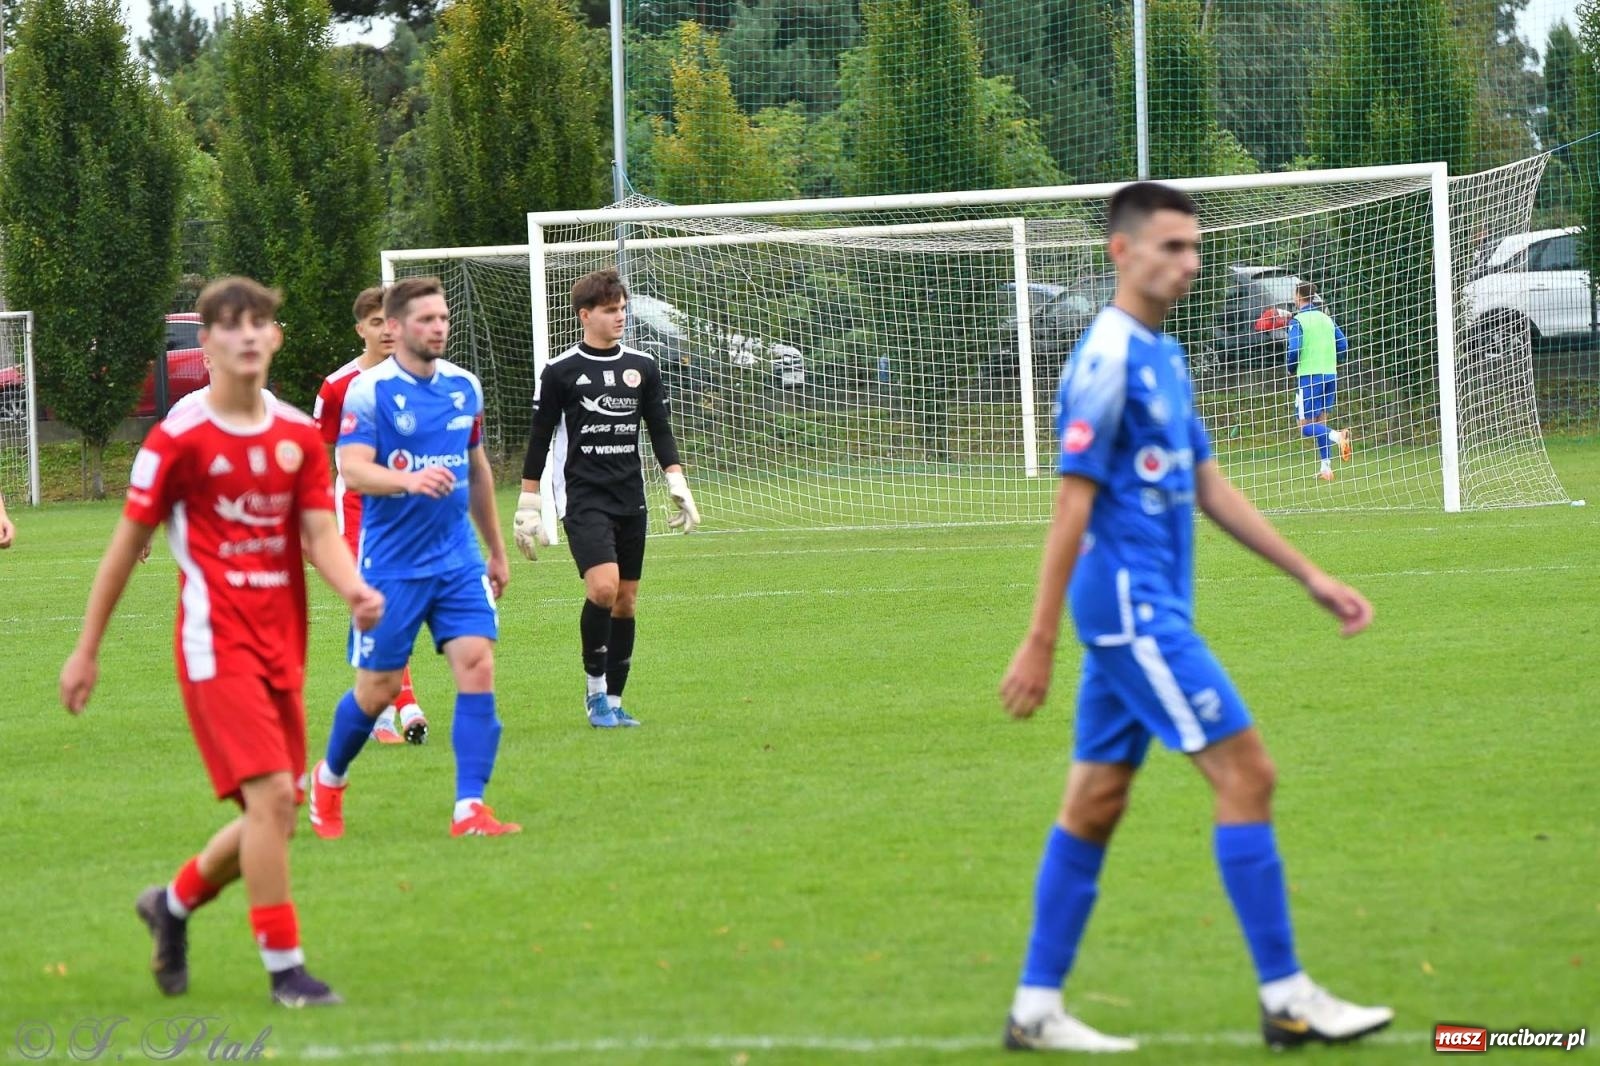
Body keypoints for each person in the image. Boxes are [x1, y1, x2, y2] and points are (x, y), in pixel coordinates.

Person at [997, 183, 1392, 1052]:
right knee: (1248, 775)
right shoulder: (1103, 359)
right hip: (1131, 610)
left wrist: (1310, 576)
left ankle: (1033, 1009)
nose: (1190, 262)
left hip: (1143, 608)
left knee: (1096, 802)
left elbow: (1208, 486)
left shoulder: (1165, 356)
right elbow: (1070, 507)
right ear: (1122, 253)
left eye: (1194, 247)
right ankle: (1288, 999)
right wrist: (1038, 639)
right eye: (1172, 246)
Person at [58, 276, 384, 1008]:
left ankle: (171, 905)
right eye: (228, 325)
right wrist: (87, 648)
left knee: (274, 814)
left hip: (282, 643)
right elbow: (124, 548)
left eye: (259, 322)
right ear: (202, 343)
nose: (245, 335)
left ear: (275, 338)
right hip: (214, 646)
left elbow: (319, 535)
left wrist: (353, 588)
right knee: (271, 797)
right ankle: (286, 971)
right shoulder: (177, 438)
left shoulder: (298, 434)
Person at [309, 276, 519, 839]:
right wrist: (405, 479)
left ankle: (469, 809)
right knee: (376, 691)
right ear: (395, 328)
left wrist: (495, 550)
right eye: (427, 320)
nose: (439, 328)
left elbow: (476, 471)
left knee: (477, 665)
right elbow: (351, 468)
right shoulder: (366, 391)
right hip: (392, 564)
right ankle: (328, 780)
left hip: (457, 559)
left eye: (444, 318)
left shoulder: (463, 387)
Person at [513, 268, 700, 729]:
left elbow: (658, 427)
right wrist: (528, 502)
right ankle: (594, 694)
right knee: (603, 588)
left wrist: (677, 481)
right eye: (611, 310)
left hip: (629, 498)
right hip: (584, 497)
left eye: (622, 308)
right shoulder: (560, 372)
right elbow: (539, 439)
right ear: (585, 315)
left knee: (627, 602)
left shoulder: (643, 367)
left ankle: (615, 700)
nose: (620, 317)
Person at [313, 287, 428, 745]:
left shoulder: (421, 379)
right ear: (361, 329)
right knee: (378, 604)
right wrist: (318, 515)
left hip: (406, 512)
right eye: (375, 323)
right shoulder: (337, 386)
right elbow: (319, 452)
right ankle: (396, 710)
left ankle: (381, 704)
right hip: (357, 512)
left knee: (395, 606)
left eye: (391, 321)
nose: (385, 331)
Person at [1286, 281, 1351, 482]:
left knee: (1305, 427)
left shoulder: (1298, 321)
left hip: (1309, 376)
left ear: (1298, 297)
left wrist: (1291, 368)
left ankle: (1337, 436)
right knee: (1320, 422)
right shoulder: (1326, 319)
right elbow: (1343, 345)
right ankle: (1326, 469)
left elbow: (1294, 350)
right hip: (1330, 375)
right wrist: (1331, 358)